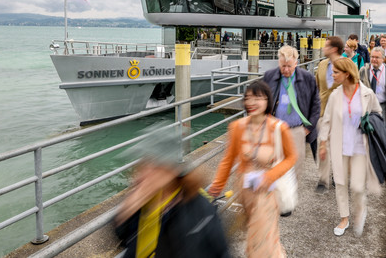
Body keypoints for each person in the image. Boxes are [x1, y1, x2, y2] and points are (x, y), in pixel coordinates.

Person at [208, 80, 297, 257]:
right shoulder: (237, 127)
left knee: (260, 239)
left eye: (258, 98)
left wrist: (271, 175)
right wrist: (216, 186)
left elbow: (291, 157)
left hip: (267, 191)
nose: (252, 103)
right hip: (244, 191)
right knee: (260, 235)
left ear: (268, 101)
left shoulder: (279, 128)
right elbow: (228, 160)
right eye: (248, 98)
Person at [318, 57, 383, 237]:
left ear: (347, 74)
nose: (332, 74)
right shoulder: (334, 95)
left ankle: (360, 211)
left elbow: (378, 113)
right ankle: (344, 217)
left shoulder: (367, 93)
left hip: (360, 148)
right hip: (340, 146)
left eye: (336, 72)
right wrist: (323, 143)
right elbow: (327, 120)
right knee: (340, 183)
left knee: (356, 186)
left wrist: (368, 121)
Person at [115, 157, 230, 257]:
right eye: (143, 166)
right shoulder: (144, 199)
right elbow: (123, 236)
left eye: (153, 167)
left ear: (169, 172)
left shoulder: (200, 209)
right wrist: (126, 213)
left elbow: (221, 250)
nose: (141, 175)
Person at [263, 45, 320, 184]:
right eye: (283, 66)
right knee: (273, 165)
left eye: (289, 66)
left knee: (295, 168)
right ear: (278, 63)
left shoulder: (307, 78)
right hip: (275, 129)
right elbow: (261, 99)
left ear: (296, 63)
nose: (286, 70)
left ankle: (289, 202)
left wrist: (308, 129)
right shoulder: (269, 76)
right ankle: (276, 199)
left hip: (297, 130)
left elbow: (316, 104)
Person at [315, 36, 345, 193]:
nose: (323, 48)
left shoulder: (347, 66)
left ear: (333, 49)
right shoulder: (321, 64)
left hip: (341, 114)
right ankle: (323, 179)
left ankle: (338, 175)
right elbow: (318, 88)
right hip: (322, 113)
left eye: (326, 46)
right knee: (323, 144)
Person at [360, 47, 386, 129]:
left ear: (383, 59)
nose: (374, 59)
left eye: (377, 57)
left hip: (382, 107)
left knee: (381, 132)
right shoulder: (363, 71)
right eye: (372, 57)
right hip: (367, 108)